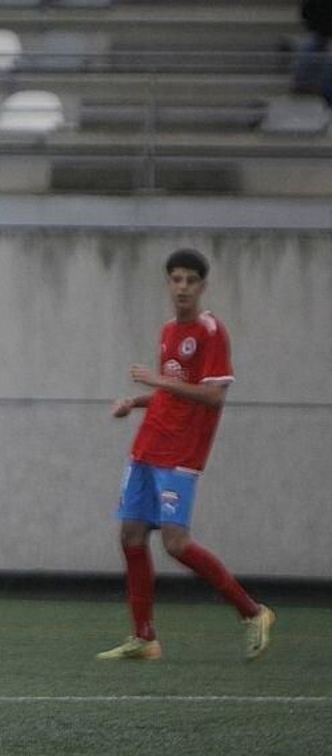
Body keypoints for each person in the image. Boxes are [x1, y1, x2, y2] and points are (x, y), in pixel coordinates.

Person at [98, 248, 275, 663]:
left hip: (182, 453)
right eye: (175, 279)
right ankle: (144, 637)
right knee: (131, 536)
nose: (182, 287)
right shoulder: (167, 331)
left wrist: (158, 381)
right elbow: (172, 393)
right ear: (167, 283)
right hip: (149, 445)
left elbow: (213, 395)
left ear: (202, 286)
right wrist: (137, 402)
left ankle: (253, 613)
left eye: (190, 281)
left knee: (176, 543)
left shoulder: (211, 331)